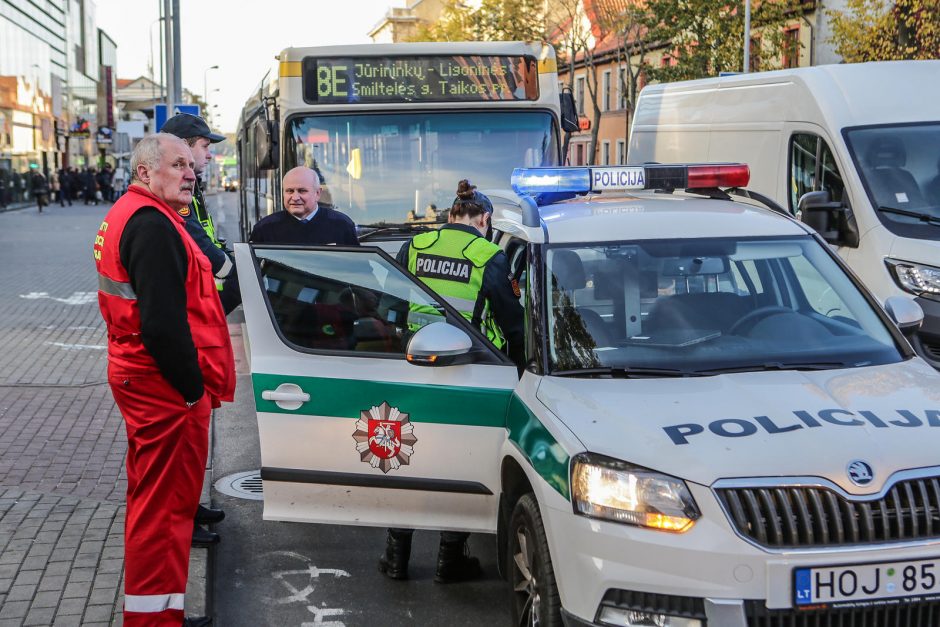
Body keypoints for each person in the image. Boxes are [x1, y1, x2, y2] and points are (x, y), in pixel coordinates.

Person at [92, 133, 234, 627]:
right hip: (163, 389)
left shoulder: (134, 215)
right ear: (145, 172)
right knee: (163, 516)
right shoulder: (152, 226)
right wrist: (193, 389)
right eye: (178, 164)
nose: (190, 172)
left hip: (143, 381)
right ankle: (154, 622)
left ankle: (163, 613)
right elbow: (161, 325)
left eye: (189, 164)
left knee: (159, 509)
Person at [378, 180, 525, 584]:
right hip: (469, 370)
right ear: (485, 219)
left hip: (413, 364)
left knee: (408, 458)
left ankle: (395, 555)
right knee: (458, 459)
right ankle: (449, 558)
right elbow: (514, 323)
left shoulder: (417, 246)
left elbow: (390, 302)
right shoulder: (489, 255)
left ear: (449, 216)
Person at [161, 113, 234, 539]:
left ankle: (189, 506)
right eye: (206, 146)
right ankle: (181, 518)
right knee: (182, 434)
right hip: (187, 323)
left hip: (198, 310)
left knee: (193, 434)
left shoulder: (193, 189)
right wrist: (225, 263)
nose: (209, 154)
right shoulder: (174, 196)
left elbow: (203, 232)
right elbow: (193, 236)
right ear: (187, 145)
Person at [249, 166, 358, 245]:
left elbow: (360, 269)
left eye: (302, 191)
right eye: (290, 191)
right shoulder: (265, 228)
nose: (295, 197)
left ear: (318, 193)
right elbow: (245, 271)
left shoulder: (342, 225)